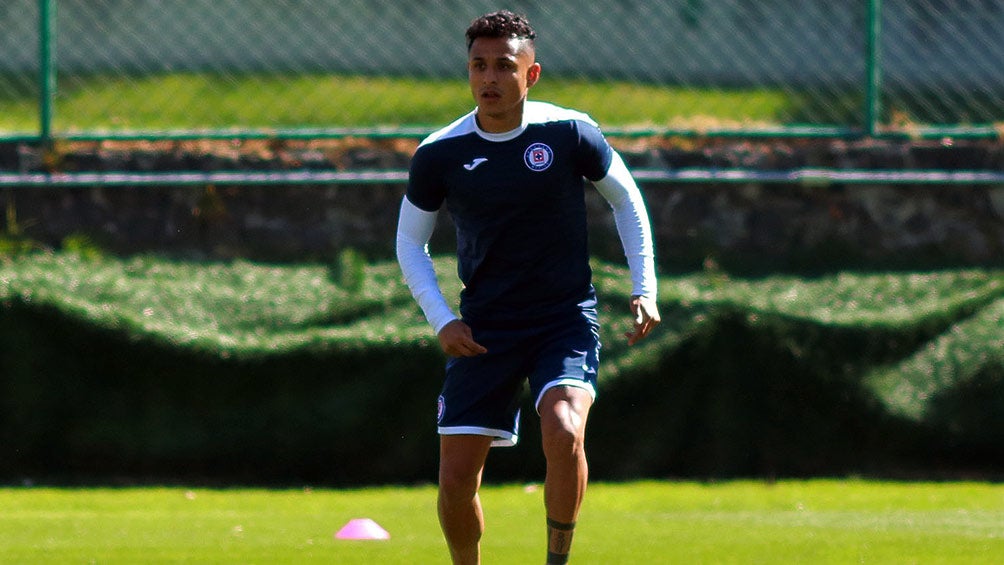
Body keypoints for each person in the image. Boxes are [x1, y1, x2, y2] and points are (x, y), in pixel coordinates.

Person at [395, 10, 660, 565]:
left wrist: (645, 287)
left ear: (531, 75)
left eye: (503, 66)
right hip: (485, 327)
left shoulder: (567, 132)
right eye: (478, 66)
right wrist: (442, 319)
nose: (489, 79)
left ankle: (555, 561)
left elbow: (626, 199)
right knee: (455, 481)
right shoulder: (440, 152)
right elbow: (408, 243)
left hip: (562, 319)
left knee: (563, 430)